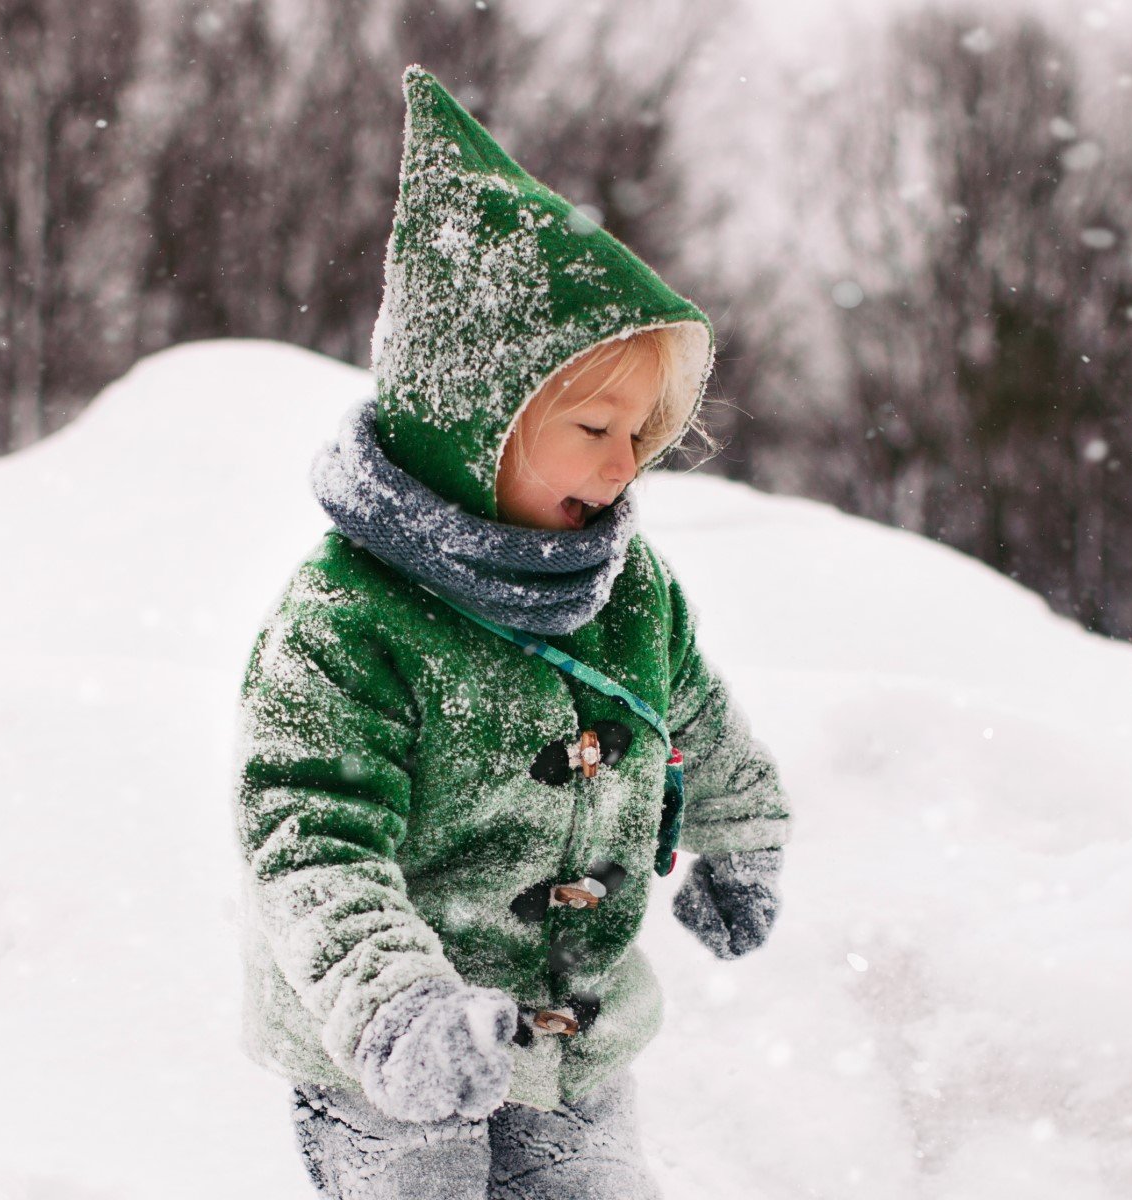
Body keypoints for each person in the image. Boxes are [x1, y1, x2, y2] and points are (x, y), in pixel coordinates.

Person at [234, 64, 792, 1200]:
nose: (625, 464)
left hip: (573, 1038)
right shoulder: (347, 620)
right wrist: (396, 1007)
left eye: (641, 432)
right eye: (594, 427)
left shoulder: (628, 592)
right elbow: (308, 835)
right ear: (474, 417)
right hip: (386, 1057)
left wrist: (743, 829)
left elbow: (695, 712)